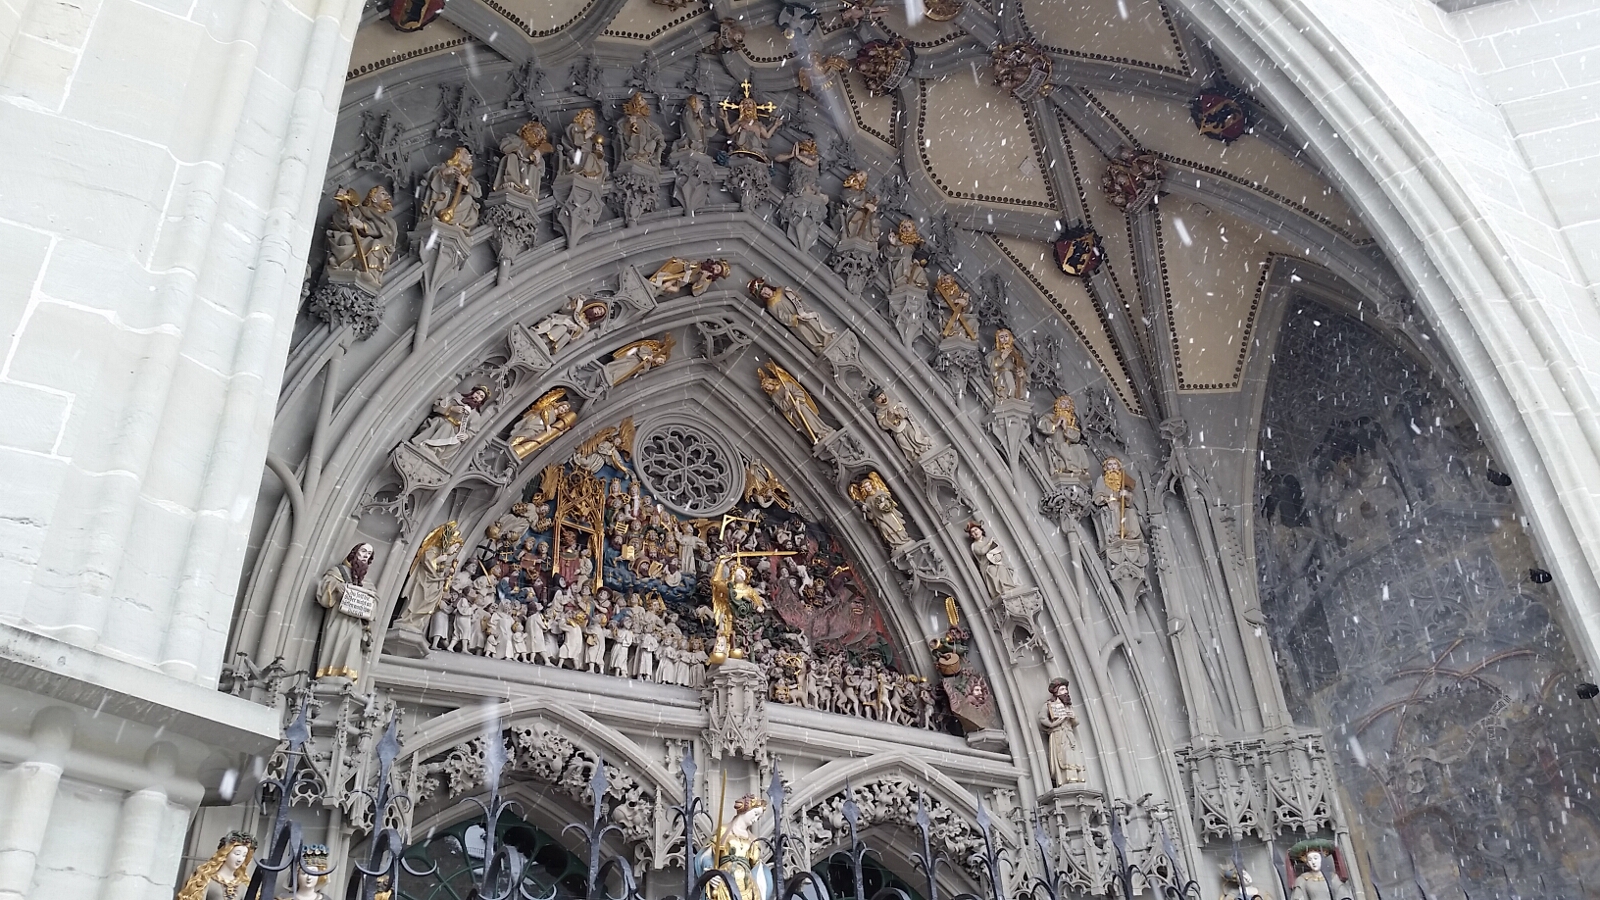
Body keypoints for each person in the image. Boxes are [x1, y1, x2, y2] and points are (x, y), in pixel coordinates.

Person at [314, 543, 376, 682]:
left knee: (352, 647)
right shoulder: (338, 572)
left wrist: (369, 602)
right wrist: (337, 586)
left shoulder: (367, 582)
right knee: (334, 642)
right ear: (354, 552)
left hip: (356, 623)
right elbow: (325, 585)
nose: (365, 556)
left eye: (369, 554)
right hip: (338, 618)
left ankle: (346, 676)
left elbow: (374, 601)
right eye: (363, 551)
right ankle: (328, 674)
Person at [177, 831, 257, 900]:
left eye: (244, 855)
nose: (240, 859)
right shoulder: (206, 879)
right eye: (237, 854)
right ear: (225, 853)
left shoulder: (243, 885)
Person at [1040, 678, 1086, 785]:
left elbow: (1076, 722)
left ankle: (1076, 777)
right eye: (1062, 690)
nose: (1065, 692)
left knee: (1073, 755)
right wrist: (1053, 724)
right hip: (1058, 734)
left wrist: (1072, 716)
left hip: (1069, 734)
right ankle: (1065, 779)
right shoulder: (1049, 705)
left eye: (1065, 689)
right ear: (1056, 692)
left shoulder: (1068, 707)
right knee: (1063, 756)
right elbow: (1042, 718)